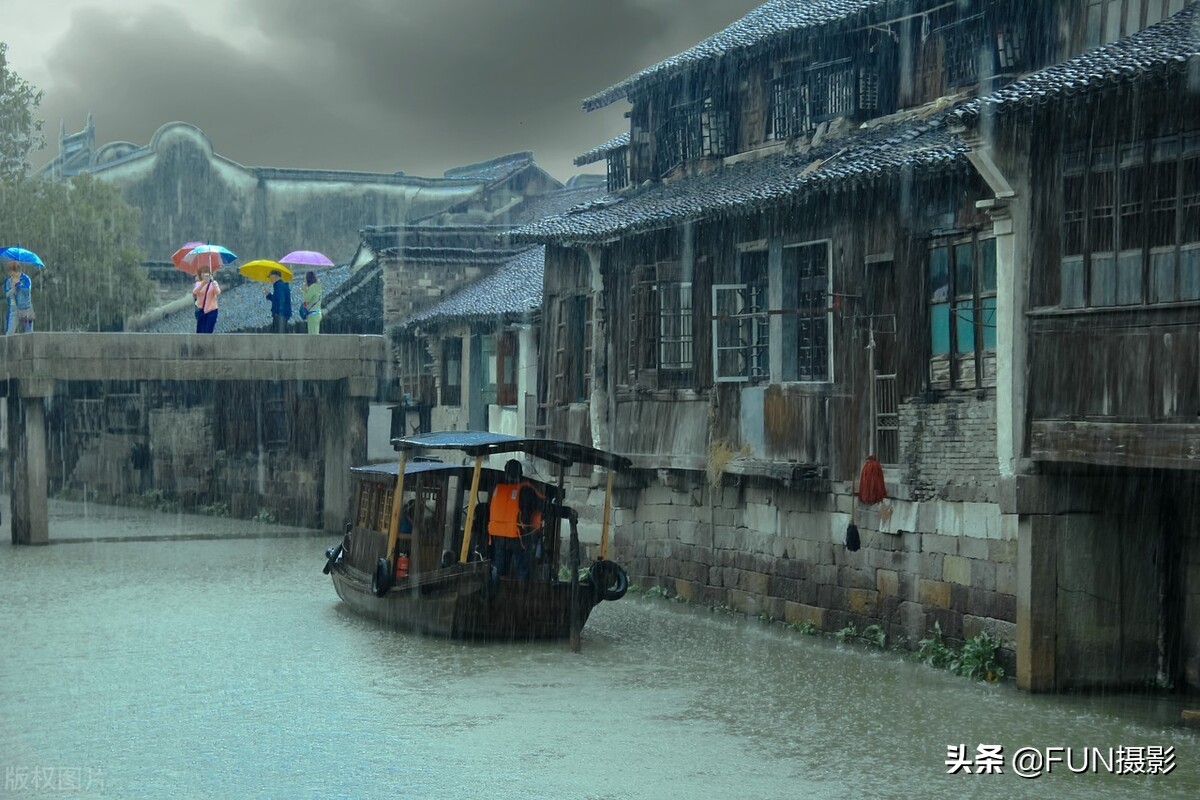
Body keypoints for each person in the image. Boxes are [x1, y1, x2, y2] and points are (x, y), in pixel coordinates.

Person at [487, 459, 544, 582]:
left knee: (499, 571)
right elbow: (541, 506)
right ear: (521, 473)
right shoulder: (525, 490)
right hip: (518, 539)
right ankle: (520, 594)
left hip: (499, 538)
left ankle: (495, 593)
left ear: (505, 472)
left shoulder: (496, 489)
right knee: (522, 572)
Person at [4, 262, 34, 334]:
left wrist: (19, 285)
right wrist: (12, 289)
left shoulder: (26, 279)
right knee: (10, 332)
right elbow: (7, 294)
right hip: (14, 308)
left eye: (13, 273)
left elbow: (27, 290)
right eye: (10, 273)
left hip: (26, 309)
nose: (12, 275)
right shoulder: (9, 281)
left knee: (28, 332)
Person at [192, 266, 221, 333]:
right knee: (200, 331)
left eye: (207, 274)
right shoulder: (198, 283)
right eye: (203, 274)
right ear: (200, 274)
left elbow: (218, 292)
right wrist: (203, 283)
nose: (205, 276)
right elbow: (194, 292)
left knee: (208, 330)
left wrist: (214, 284)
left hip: (212, 309)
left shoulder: (213, 283)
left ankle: (207, 343)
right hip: (201, 310)